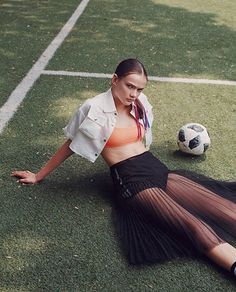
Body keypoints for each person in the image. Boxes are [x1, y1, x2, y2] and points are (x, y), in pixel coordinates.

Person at [11, 58, 236, 277]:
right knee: (195, 227)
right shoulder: (93, 108)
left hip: (156, 168)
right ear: (114, 79)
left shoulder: (141, 103)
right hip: (131, 181)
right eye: (130, 86)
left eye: (139, 89)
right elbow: (71, 143)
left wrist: (139, 99)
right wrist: (39, 175)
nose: (134, 94)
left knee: (227, 210)